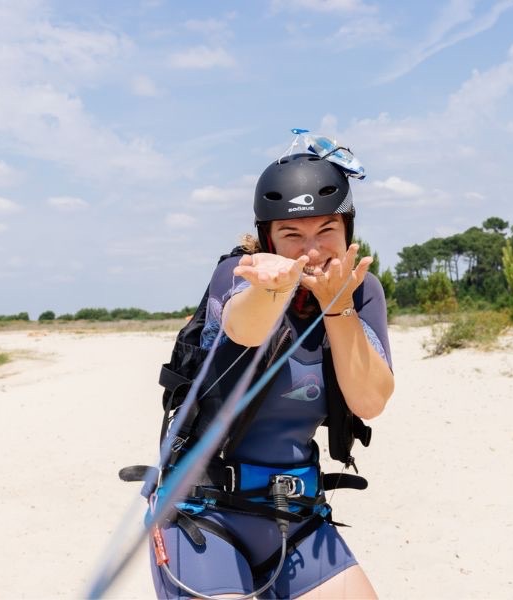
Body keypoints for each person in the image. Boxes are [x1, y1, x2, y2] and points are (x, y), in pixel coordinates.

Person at [149, 150, 395, 599]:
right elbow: (244, 329)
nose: (312, 251)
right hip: (201, 514)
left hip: (296, 515)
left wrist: (338, 305)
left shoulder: (364, 294)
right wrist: (272, 291)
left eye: (326, 230)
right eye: (292, 234)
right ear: (268, 238)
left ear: (348, 230)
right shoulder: (240, 274)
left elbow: (370, 401)